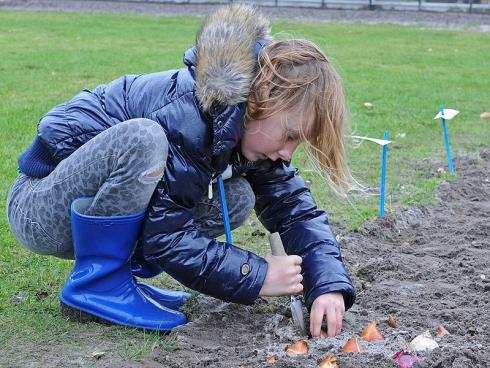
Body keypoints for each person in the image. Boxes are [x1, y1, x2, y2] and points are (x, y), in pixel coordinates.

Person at [6, 4, 356, 337]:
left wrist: (327, 285)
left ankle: (120, 277)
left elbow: (294, 210)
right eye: (291, 135)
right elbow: (166, 238)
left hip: (81, 208)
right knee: (144, 139)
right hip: (39, 207)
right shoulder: (190, 114)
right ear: (261, 97)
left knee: (236, 198)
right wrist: (257, 274)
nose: (286, 153)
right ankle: (97, 285)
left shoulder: (245, 124)